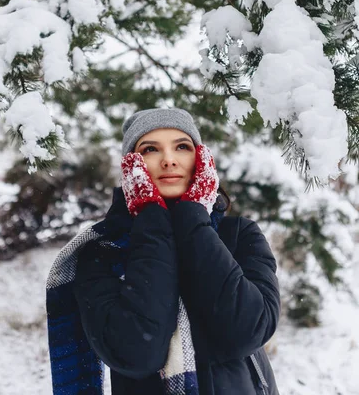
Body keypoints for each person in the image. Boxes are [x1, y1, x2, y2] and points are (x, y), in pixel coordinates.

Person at [46, 108, 281, 395]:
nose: (169, 160)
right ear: (132, 165)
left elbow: (246, 330)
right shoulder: (101, 253)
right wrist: (151, 218)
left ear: (200, 159)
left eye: (182, 146)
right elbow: (137, 353)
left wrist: (192, 219)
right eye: (150, 149)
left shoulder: (240, 235)